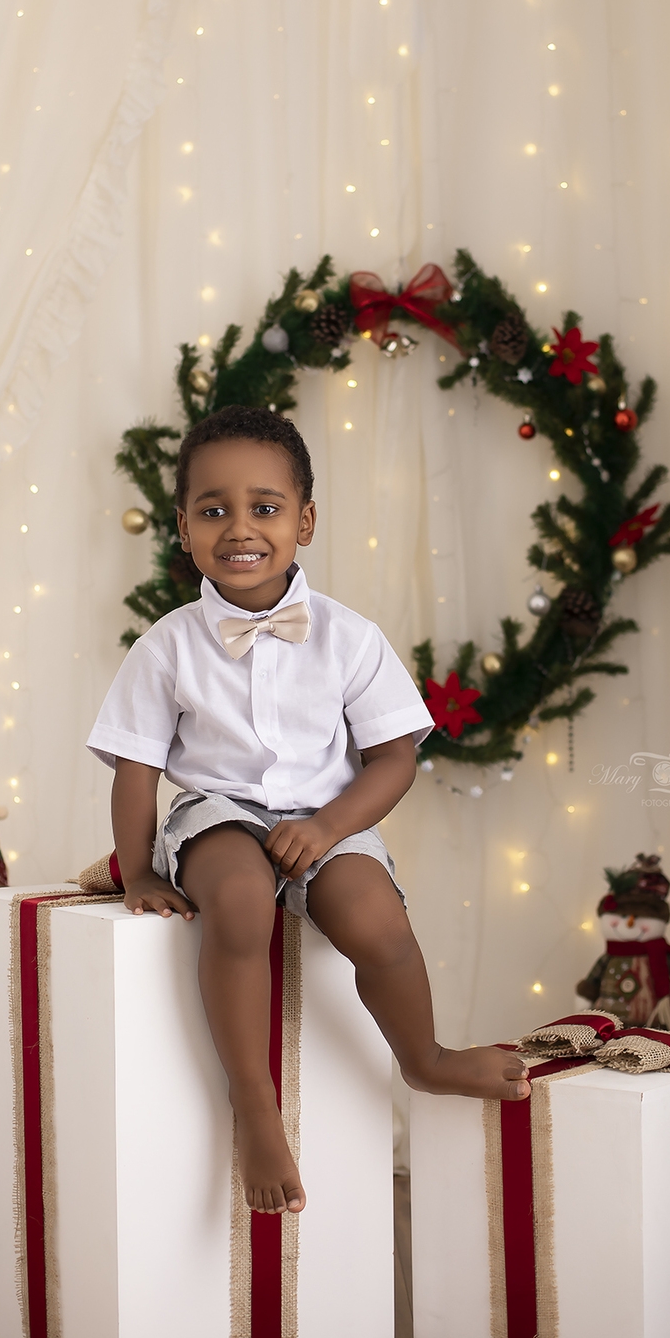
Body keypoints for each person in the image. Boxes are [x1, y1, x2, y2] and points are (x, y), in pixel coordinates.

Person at [85, 404, 529, 1217]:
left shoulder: (350, 638)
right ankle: (253, 1103)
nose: (239, 528)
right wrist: (139, 869)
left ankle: (424, 1057)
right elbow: (137, 769)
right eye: (212, 510)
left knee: (376, 920)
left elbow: (395, 758)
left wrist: (330, 828)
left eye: (265, 507)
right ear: (183, 528)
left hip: (329, 813)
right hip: (217, 815)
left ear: (306, 520)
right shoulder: (168, 647)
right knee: (242, 899)